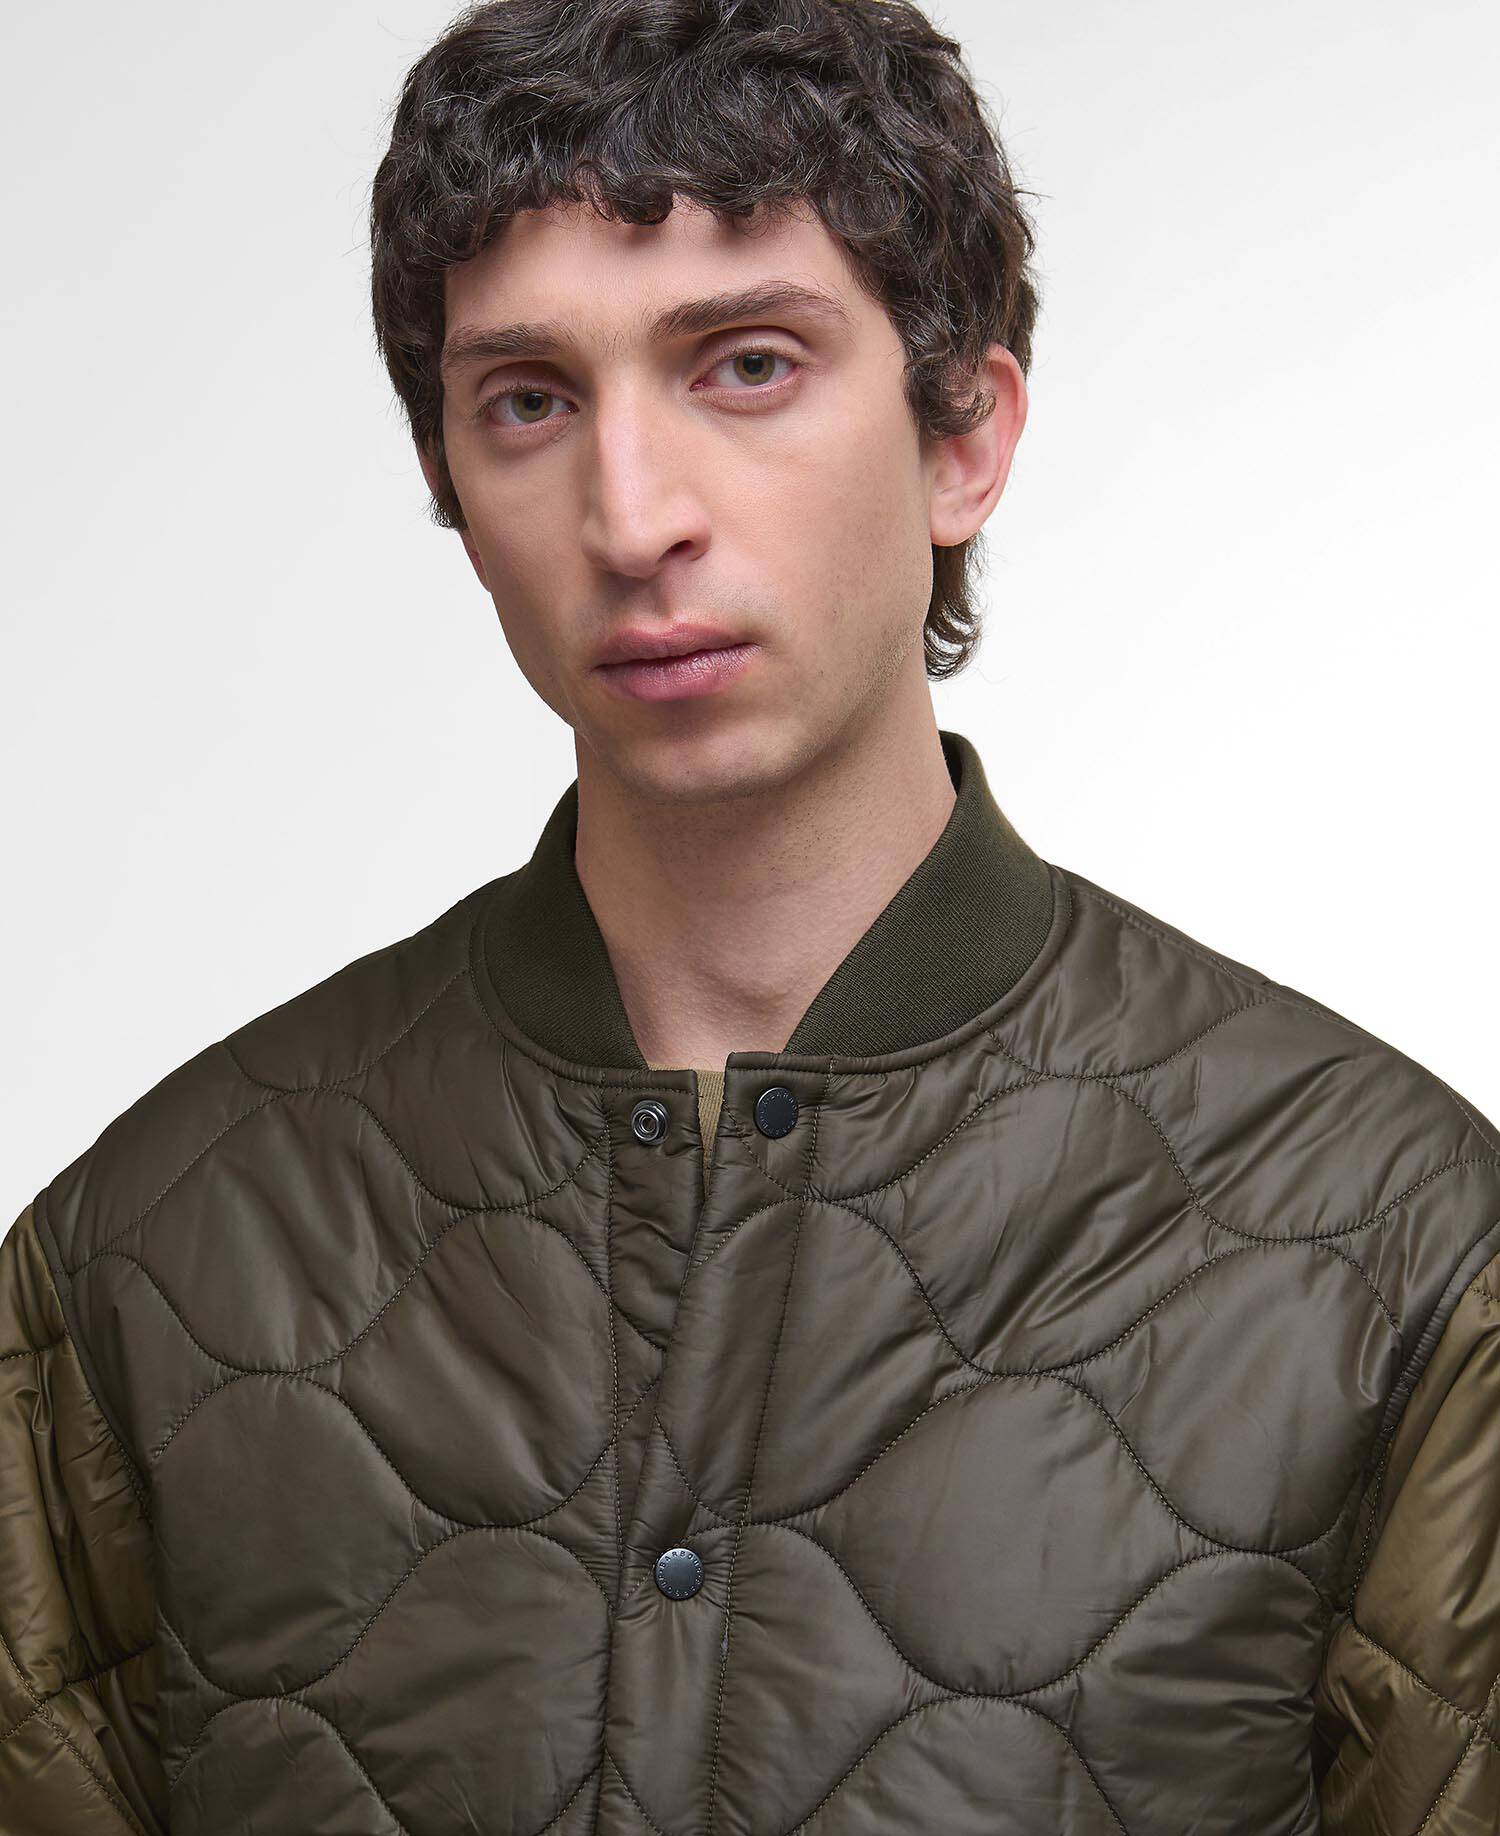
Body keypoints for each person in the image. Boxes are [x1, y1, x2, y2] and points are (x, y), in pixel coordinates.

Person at [2, 0, 1496, 1829]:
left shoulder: (1402, 1253)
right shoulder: (144, 1259)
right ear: (450, 484)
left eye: (748, 364)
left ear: (964, 437)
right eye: (530, 400)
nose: (633, 518)